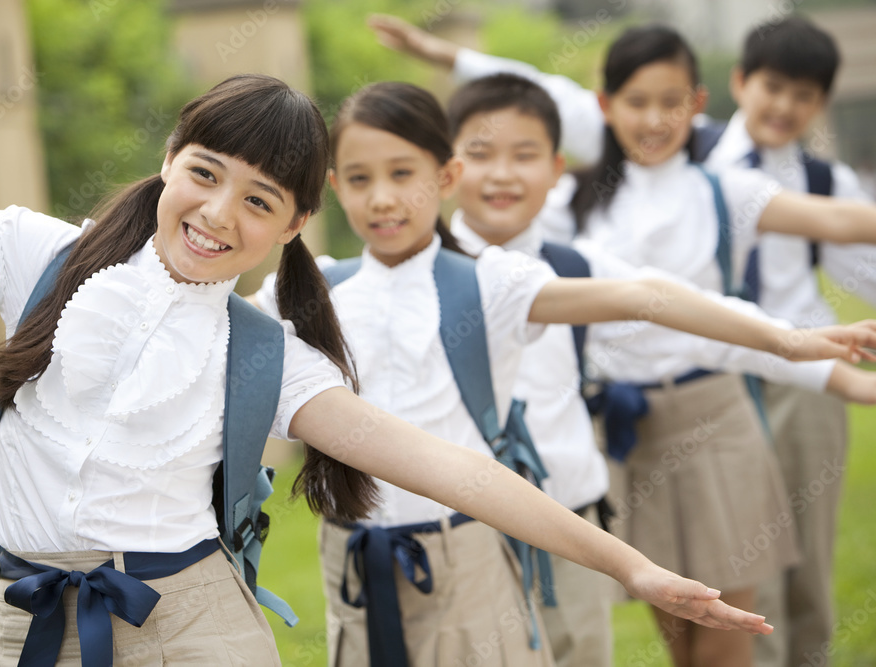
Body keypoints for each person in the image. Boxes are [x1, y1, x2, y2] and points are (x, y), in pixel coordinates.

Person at [0, 73, 825, 667]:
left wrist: (634, 566)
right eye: (203, 173)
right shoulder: (44, 257)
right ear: (169, 161)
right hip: (26, 615)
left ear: (292, 225)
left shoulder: (268, 354)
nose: (217, 214)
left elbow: (458, 470)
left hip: (193, 629)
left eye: (259, 200)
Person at [251, 80, 876, 667]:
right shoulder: (311, 290)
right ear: (334, 186)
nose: (382, 197)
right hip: (352, 559)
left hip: (470, 550)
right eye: (360, 179)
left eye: (403, 174)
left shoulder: (490, 282)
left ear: (445, 177)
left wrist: (783, 339)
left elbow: (641, 294)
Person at [442, 70, 876, 667]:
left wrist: (790, 341)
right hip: (458, 528)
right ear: (448, 167)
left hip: (571, 517)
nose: (503, 173)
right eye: (481, 153)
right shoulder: (426, 273)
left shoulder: (573, 263)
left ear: (557, 168)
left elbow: (675, 309)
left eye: (525, 155)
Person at [700, 18, 876, 666]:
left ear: (820, 104)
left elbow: (866, 270)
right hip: (717, 379)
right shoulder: (690, 160)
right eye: (772, 86)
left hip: (813, 379)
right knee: (741, 548)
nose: (784, 106)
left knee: (808, 543)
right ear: (740, 82)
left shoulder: (826, 182)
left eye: (803, 95)